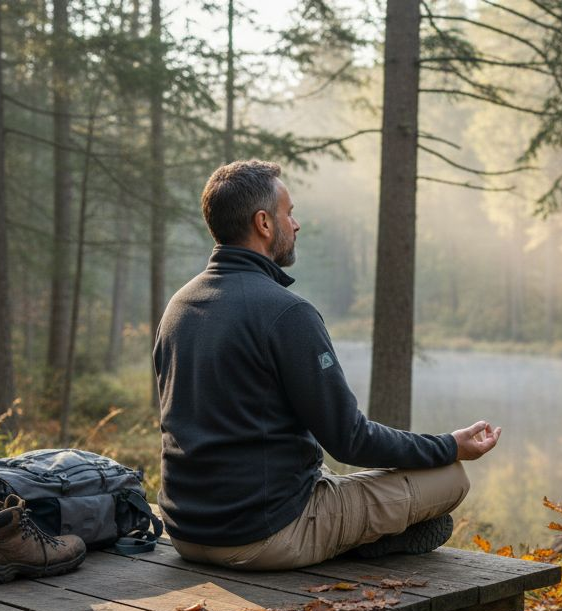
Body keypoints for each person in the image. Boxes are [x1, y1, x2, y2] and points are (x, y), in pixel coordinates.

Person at [153, 160, 499, 571]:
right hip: (264, 536)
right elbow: (351, 439)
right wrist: (448, 445)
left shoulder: (179, 306)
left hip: (186, 533)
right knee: (451, 479)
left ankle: (361, 531)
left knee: (324, 472)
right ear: (264, 223)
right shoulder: (287, 313)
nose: (295, 224)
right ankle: (366, 537)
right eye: (289, 212)